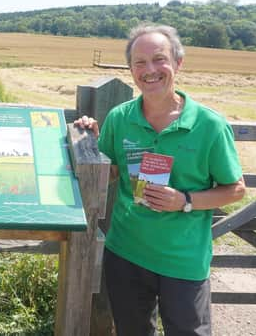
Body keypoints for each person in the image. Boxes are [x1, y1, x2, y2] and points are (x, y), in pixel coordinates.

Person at [75, 24, 245, 336]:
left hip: (183, 261)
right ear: (130, 69)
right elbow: (111, 173)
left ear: (178, 63)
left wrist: (186, 201)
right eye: (139, 62)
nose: (149, 70)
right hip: (125, 253)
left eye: (159, 59)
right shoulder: (120, 118)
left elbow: (235, 189)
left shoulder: (209, 125)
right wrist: (91, 143)